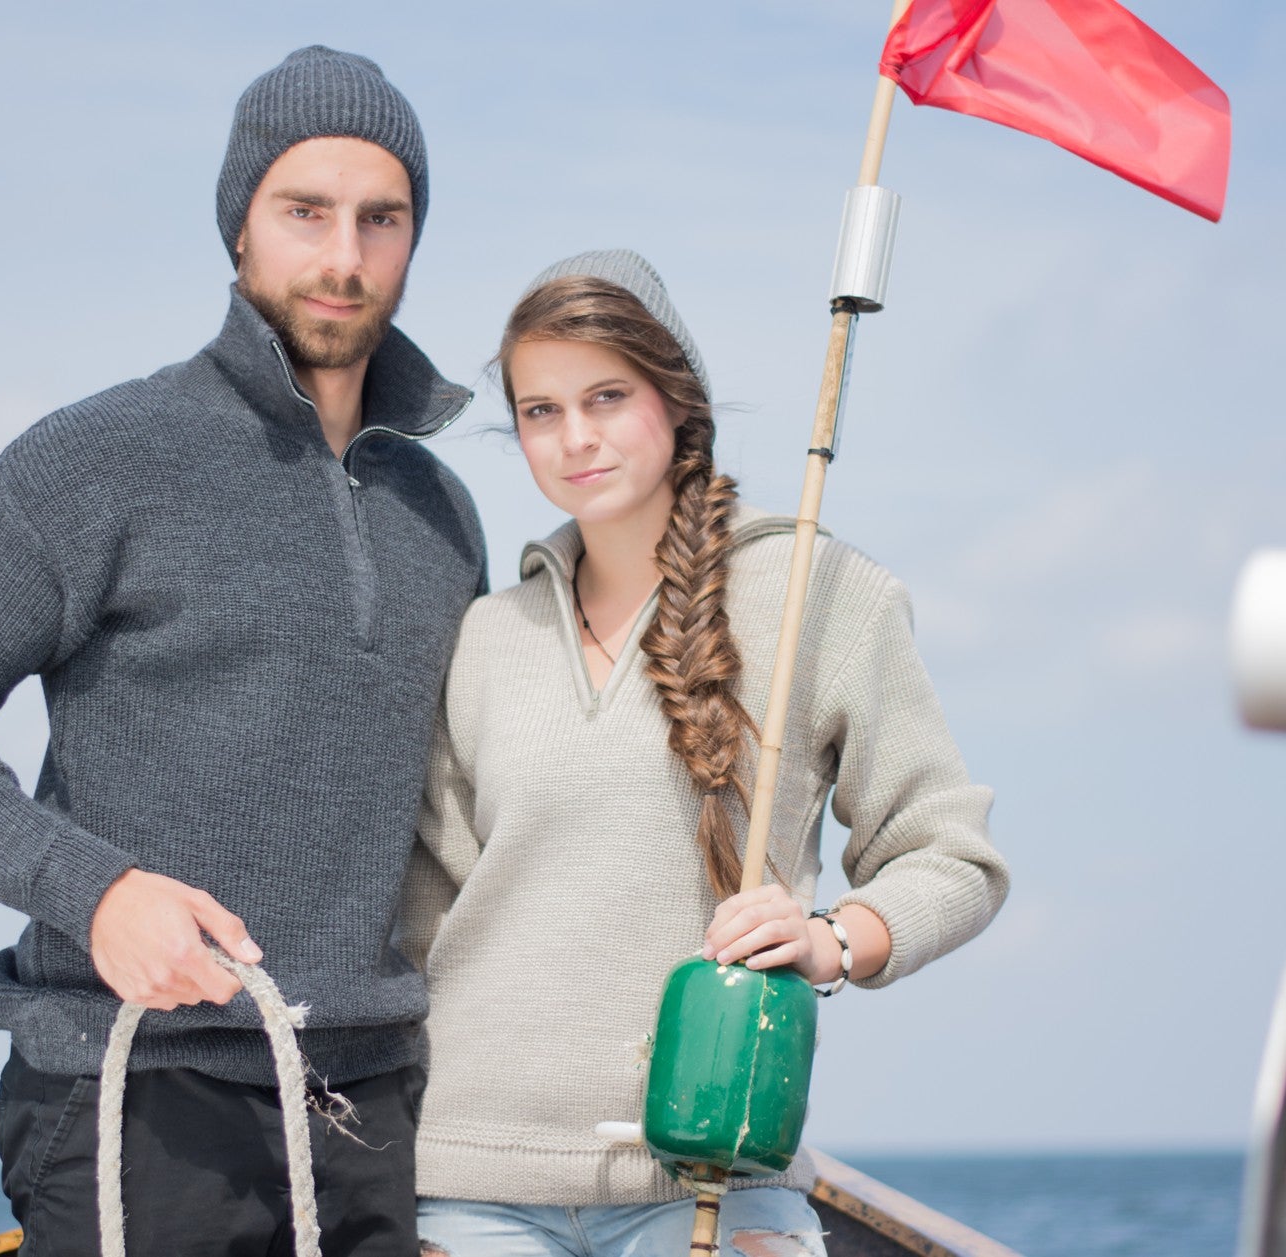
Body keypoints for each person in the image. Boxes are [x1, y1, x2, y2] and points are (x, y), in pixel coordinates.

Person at [0, 46, 484, 1256]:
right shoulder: (99, 459)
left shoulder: (442, 512)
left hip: (371, 1110)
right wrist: (95, 891)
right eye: (306, 211)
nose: (343, 255)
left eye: (380, 218)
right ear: (239, 229)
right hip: (131, 1096)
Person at [400, 250, 1009, 1256]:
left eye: (605, 396)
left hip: (712, 1178)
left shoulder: (819, 593)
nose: (575, 437)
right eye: (541, 411)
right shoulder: (482, 640)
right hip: (473, 1185)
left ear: (676, 398)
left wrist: (831, 940)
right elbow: (427, 923)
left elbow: (951, 853)